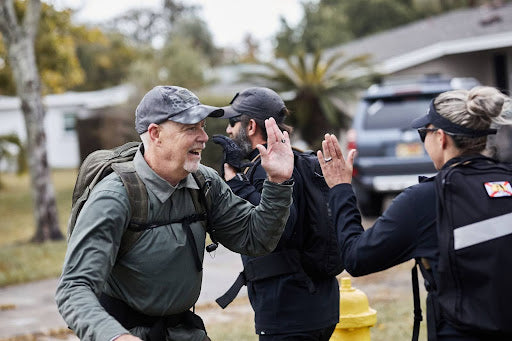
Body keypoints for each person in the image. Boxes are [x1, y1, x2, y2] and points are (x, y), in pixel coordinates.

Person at [55, 85, 295, 341]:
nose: (204, 137)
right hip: (126, 332)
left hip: (185, 332)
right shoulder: (115, 197)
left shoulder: (205, 182)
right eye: (191, 128)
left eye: (202, 126)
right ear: (155, 133)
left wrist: (277, 183)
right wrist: (115, 337)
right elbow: (74, 288)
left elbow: (256, 238)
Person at [317, 86, 512, 341]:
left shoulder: (426, 200)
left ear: (441, 137)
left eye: (424, 133)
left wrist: (341, 189)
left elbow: (356, 257)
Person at [215, 87, 339, 340]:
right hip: (319, 305)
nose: (228, 130)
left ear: (250, 126)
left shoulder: (267, 169)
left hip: (288, 312)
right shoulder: (298, 161)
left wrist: (235, 183)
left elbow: (277, 228)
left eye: (231, 123)